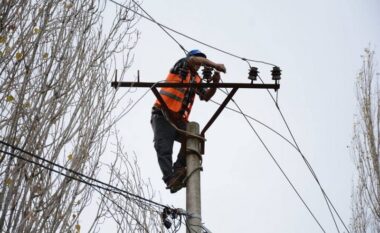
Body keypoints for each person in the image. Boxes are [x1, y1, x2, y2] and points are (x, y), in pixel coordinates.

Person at [151, 49, 226, 193]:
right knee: (163, 147)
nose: (199, 65)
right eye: (198, 60)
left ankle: (179, 168)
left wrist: (215, 84)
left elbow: (205, 96)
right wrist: (215, 65)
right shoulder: (182, 65)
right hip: (163, 114)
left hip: (178, 120)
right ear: (192, 58)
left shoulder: (196, 79)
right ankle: (170, 179)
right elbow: (193, 61)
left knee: (193, 139)